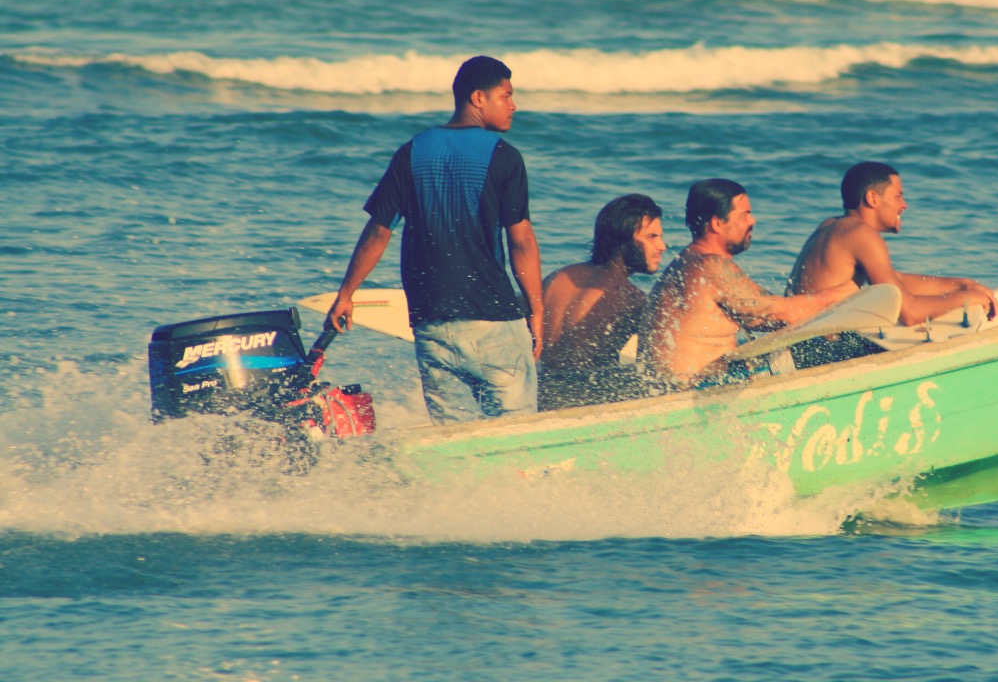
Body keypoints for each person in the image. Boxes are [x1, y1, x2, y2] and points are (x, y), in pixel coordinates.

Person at [324, 55, 543, 423]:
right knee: (515, 433)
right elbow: (521, 240)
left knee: (454, 442)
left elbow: (379, 231)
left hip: (430, 323)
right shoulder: (504, 157)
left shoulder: (412, 151)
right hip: (492, 320)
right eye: (506, 95)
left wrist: (347, 294)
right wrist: (536, 310)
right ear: (478, 98)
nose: (513, 105)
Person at [638, 178, 856, 391]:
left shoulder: (689, 262)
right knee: (832, 349)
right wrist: (846, 291)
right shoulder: (710, 266)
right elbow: (785, 314)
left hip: (671, 386)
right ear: (717, 223)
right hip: (694, 389)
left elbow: (768, 313)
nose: (752, 221)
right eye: (745, 214)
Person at [789, 161, 998, 329]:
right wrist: (965, 299)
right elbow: (909, 313)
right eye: (898, 196)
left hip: (799, 343)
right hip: (819, 350)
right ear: (872, 198)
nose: (904, 205)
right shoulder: (861, 234)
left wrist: (963, 284)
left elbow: (893, 280)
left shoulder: (832, 225)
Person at [537, 194, 666, 410]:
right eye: (652, 237)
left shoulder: (559, 277)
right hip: (579, 403)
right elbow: (662, 361)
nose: (661, 246)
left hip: (539, 392)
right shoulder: (629, 298)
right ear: (624, 242)